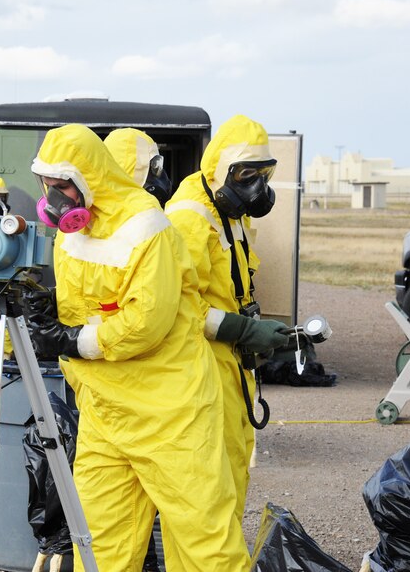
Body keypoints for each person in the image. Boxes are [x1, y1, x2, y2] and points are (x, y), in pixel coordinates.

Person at [26, 123, 250, 571]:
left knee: (204, 540)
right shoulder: (73, 230)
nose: (55, 198)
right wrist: (49, 306)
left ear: (89, 177)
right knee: (101, 543)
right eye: (47, 185)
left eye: (62, 185)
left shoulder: (146, 224)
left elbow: (147, 320)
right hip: (106, 413)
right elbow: (86, 301)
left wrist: (73, 341)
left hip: (169, 412)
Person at [165, 114, 290, 523]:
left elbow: (235, 285)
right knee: (210, 487)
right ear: (220, 169)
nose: (255, 186)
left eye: (262, 174)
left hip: (231, 362)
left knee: (234, 470)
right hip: (201, 366)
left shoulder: (232, 216)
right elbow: (180, 308)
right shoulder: (188, 218)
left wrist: (253, 333)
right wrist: (245, 329)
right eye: (245, 174)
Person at [104, 126, 171, 572]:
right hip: (137, 394)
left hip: (142, 390)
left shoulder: (150, 223)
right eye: (155, 168)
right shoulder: (151, 225)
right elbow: (147, 317)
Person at [104, 127, 172, 208]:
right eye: (153, 165)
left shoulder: (91, 209)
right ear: (138, 166)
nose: (160, 173)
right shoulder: (148, 214)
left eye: (157, 164)